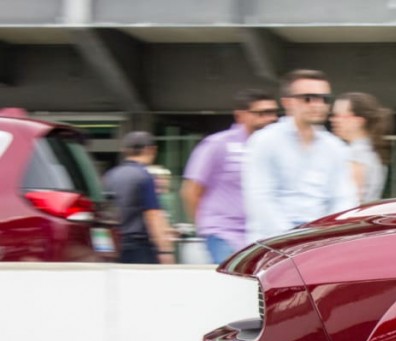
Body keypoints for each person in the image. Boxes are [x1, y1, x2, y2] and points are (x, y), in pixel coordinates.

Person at [243, 70, 359, 241]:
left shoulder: (335, 147)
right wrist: (290, 239)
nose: (318, 104)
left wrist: (325, 235)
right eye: (308, 98)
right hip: (270, 242)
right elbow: (260, 198)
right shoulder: (264, 141)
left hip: (318, 240)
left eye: (324, 99)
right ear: (287, 102)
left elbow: (343, 198)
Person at [181, 89, 279, 262]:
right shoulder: (218, 145)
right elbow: (191, 190)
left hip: (262, 235)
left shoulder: (274, 149)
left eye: (273, 113)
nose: (270, 119)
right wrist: (205, 228)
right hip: (224, 234)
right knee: (234, 283)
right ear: (241, 116)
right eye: (262, 113)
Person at [102, 131, 176, 264]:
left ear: (126, 151)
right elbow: (152, 215)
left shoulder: (110, 176)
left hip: (115, 243)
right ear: (151, 150)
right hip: (140, 246)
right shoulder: (145, 177)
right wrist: (165, 250)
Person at [330, 92, 392, 203]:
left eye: (338, 115)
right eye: (333, 115)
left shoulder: (356, 154)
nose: (333, 120)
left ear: (358, 121)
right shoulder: (369, 151)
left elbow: (349, 202)